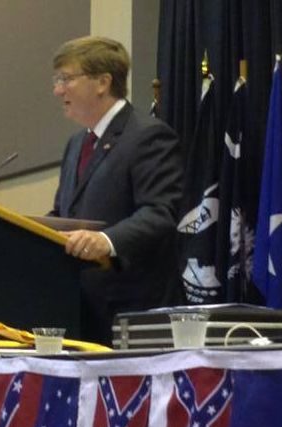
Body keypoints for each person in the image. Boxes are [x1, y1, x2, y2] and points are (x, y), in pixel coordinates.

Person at [49, 36, 183, 345]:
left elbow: (160, 212)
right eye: (57, 80)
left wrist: (106, 241)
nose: (58, 90)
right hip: (81, 312)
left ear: (102, 82)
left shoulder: (148, 136)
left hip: (134, 316)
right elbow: (63, 215)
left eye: (66, 79)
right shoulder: (75, 145)